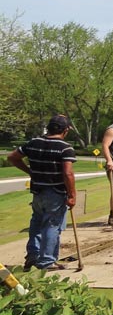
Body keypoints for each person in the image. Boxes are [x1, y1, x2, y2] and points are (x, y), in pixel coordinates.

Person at [7, 115, 77, 271]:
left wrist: (30, 171)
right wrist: (72, 195)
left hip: (37, 192)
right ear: (65, 130)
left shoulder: (33, 143)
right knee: (52, 226)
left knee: (37, 224)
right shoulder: (65, 148)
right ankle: (46, 261)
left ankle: (32, 257)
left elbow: (12, 157)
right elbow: (68, 174)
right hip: (55, 192)